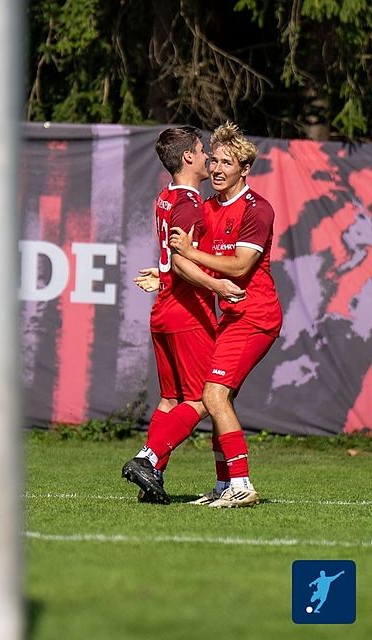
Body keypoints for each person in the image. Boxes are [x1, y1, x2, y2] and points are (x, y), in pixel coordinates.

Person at [121, 126, 246, 504]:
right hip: (186, 312)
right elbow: (181, 260)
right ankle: (148, 458)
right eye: (202, 149)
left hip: (164, 310)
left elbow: (170, 261)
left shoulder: (166, 197)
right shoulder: (191, 205)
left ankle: (153, 476)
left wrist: (161, 274)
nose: (209, 157)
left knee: (170, 401)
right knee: (204, 399)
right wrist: (218, 286)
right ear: (189, 158)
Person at [168, 121, 283, 508]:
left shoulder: (257, 210)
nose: (216, 169)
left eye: (227, 163)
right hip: (231, 317)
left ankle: (242, 484)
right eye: (213, 160)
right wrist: (166, 269)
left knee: (214, 395)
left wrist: (190, 253)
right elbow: (187, 263)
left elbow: (237, 267)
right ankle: (224, 484)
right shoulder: (206, 208)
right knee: (217, 397)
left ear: (244, 169)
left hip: (257, 316)